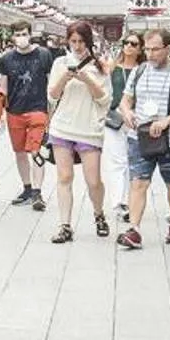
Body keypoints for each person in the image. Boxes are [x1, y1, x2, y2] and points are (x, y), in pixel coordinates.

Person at [117, 29, 170, 251]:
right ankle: (134, 229)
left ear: (168, 49)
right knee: (138, 182)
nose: (150, 54)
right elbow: (125, 100)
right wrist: (127, 112)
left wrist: (167, 120)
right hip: (140, 136)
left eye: (155, 49)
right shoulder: (138, 72)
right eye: (147, 49)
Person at [46, 22, 111, 242]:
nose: (77, 46)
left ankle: (99, 213)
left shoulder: (99, 66)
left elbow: (104, 99)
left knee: (93, 181)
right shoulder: (60, 63)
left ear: (88, 42)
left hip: (89, 129)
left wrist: (87, 78)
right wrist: (65, 77)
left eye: (81, 41)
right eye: (73, 41)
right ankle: (65, 225)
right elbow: (52, 96)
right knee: (64, 177)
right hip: (62, 127)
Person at [0, 27, 58, 209]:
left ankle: (37, 192)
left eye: (24, 34)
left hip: (38, 109)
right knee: (20, 152)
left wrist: (52, 111)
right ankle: (27, 188)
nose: (21, 37)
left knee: (36, 150)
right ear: (12, 37)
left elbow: (51, 83)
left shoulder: (44, 55)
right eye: (17, 34)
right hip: (14, 110)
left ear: (30, 35)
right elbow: (3, 87)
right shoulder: (6, 59)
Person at [102, 33, 143, 222]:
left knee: (133, 161)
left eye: (133, 44)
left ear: (140, 48)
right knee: (117, 161)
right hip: (114, 120)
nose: (128, 46)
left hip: (137, 120)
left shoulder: (143, 70)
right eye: (125, 43)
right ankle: (118, 202)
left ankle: (130, 199)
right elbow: (104, 92)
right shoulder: (112, 68)